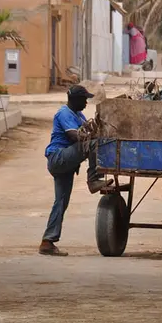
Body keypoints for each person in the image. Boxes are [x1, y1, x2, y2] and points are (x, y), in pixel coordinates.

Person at [39, 85, 112, 256]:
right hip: (58, 158)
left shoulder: (78, 115)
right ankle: (93, 180)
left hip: (66, 163)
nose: (86, 102)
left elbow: (88, 129)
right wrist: (93, 136)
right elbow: (75, 136)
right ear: (75, 100)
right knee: (93, 144)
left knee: (61, 202)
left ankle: (47, 242)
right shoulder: (64, 113)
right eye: (84, 99)